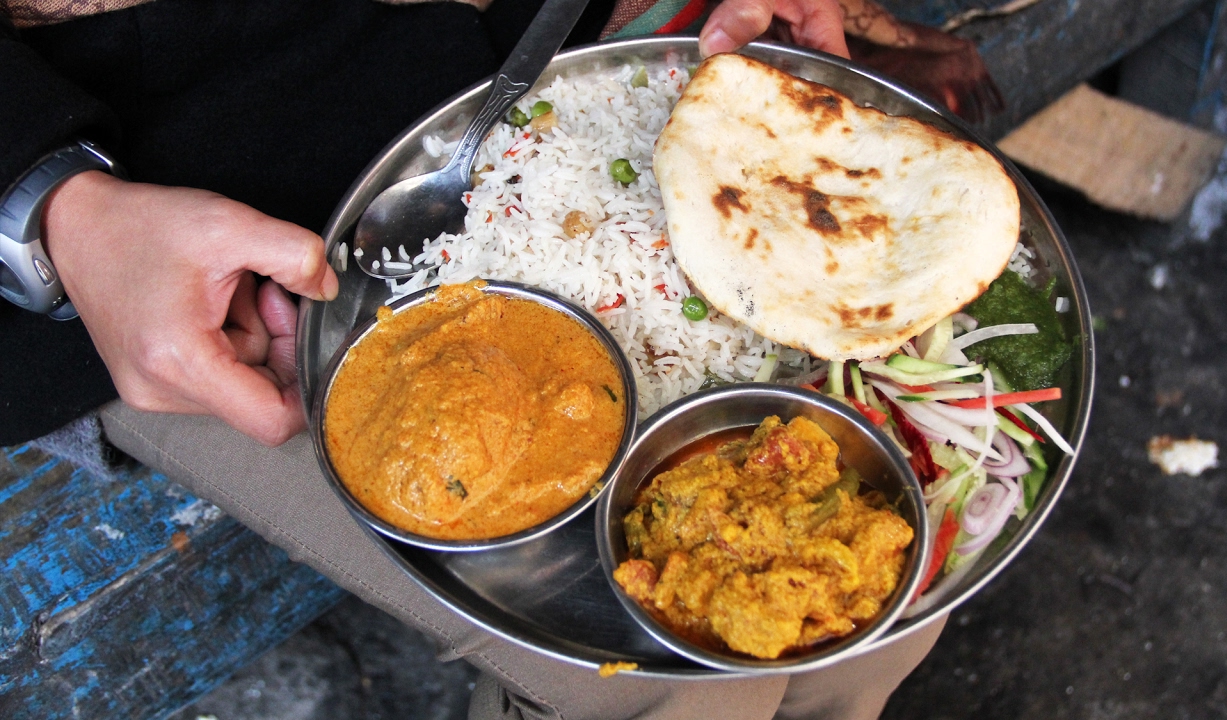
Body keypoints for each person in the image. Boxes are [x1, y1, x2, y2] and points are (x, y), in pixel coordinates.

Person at [1, 0, 994, 716]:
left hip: (543, 55)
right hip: (153, 180)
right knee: (664, 699)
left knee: (885, 623)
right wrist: (52, 209)